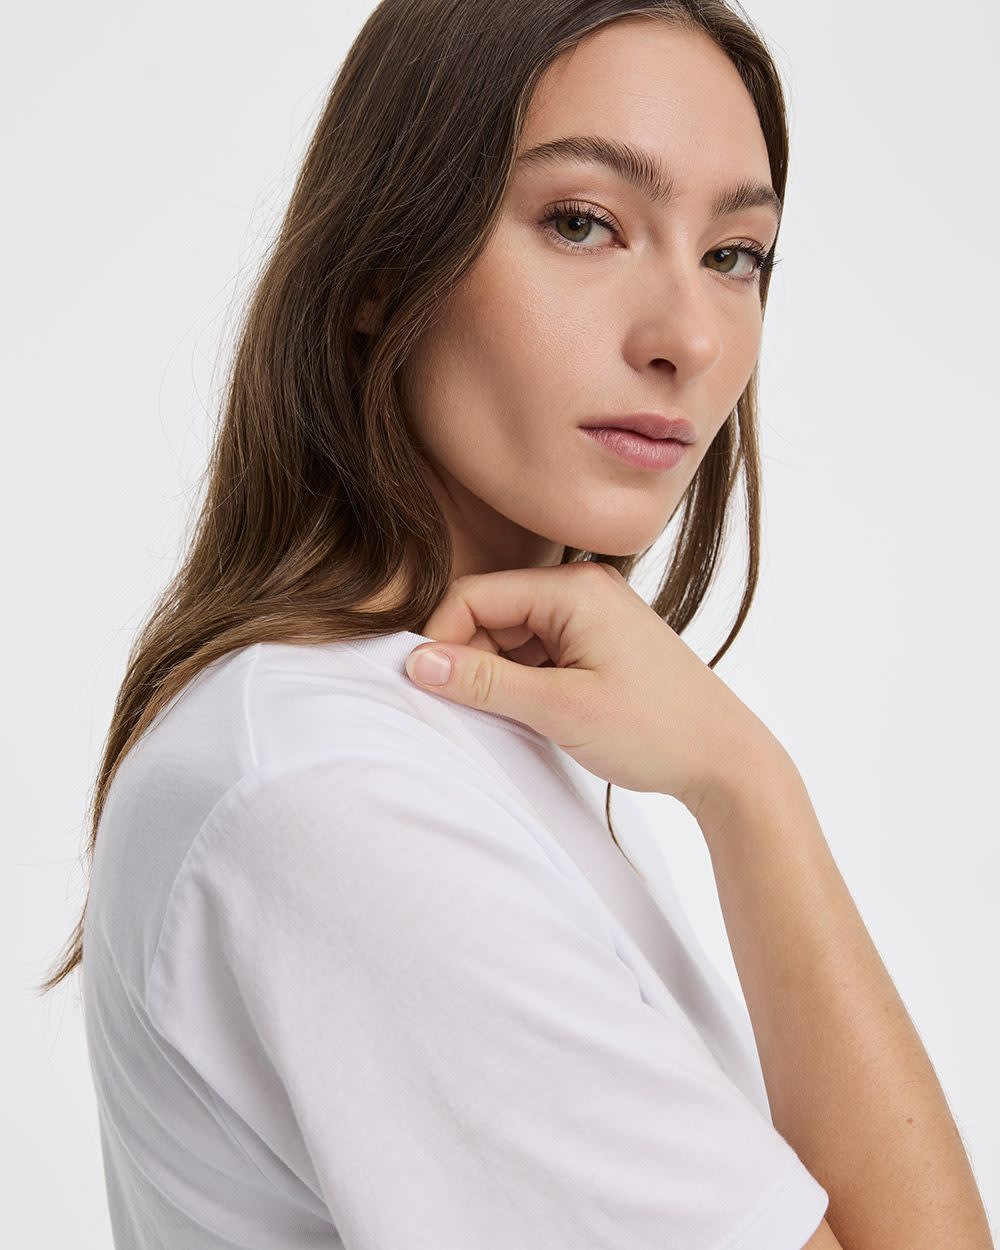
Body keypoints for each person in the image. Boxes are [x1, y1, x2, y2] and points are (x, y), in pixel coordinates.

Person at [37, 2, 993, 1248]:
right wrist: (750, 791)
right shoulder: (340, 793)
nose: (688, 338)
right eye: (583, 223)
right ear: (380, 268)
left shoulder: (439, 726)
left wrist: (738, 782)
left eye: (733, 253)